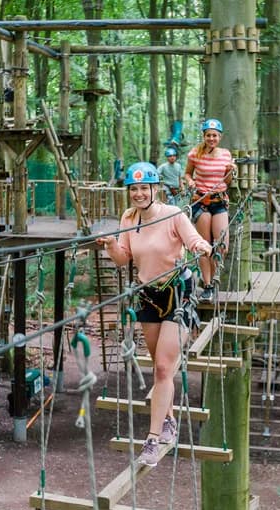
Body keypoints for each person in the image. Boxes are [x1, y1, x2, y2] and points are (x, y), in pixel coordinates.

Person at [96, 162, 213, 467]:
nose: (138, 194)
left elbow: (193, 240)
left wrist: (203, 246)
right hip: (148, 296)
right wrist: (112, 244)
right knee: (160, 370)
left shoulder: (173, 215)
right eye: (133, 189)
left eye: (144, 188)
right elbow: (123, 259)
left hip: (178, 293)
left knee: (162, 368)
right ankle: (169, 419)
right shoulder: (128, 219)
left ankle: (152, 438)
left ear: (155, 189)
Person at [184, 118, 236, 302]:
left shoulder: (226, 155)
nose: (211, 138)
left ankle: (213, 280)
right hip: (201, 201)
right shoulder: (195, 153)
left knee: (222, 246)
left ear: (219, 137)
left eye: (214, 135)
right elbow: (187, 173)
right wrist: (190, 181)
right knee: (204, 245)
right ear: (204, 136)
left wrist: (230, 171)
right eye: (208, 135)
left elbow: (227, 182)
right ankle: (207, 285)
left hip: (219, 201)